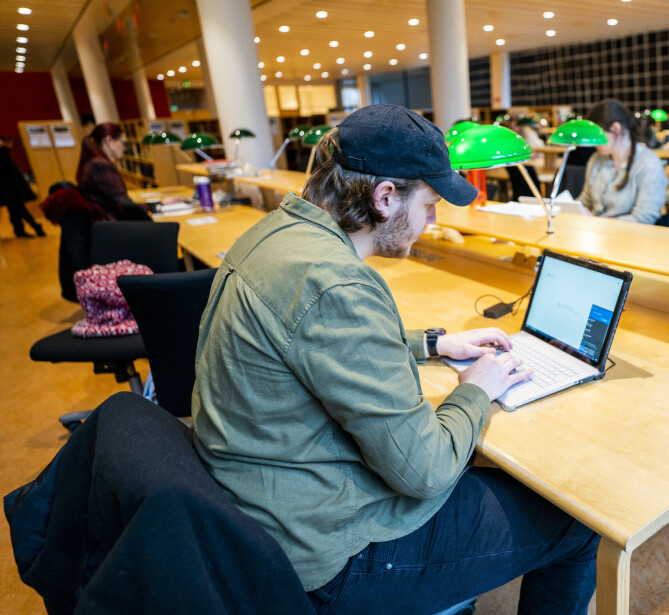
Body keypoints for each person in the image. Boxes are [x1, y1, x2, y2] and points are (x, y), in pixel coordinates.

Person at [192, 104, 600, 615]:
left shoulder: (274, 235)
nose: (432, 221)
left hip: (259, 519)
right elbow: (424, 471)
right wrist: (476, 388)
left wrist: (431, 344)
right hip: (327, 561)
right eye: (429, 204)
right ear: (385, 197)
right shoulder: (339, 282)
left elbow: (306, 334)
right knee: (575, 522)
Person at [578, 99, 669, 224]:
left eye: (597, 135)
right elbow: (585, 201)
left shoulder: (648, 163)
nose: (593, 141)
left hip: (628, 238)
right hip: (594, 234)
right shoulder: (596, 160)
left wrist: (599, 222)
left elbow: (644, 218)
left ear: (615, 128)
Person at [75, 123, 151, 221]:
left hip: (108, 223)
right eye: (123, 143)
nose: (125, 148)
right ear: (109, 140)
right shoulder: (101, 166)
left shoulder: (94, 163)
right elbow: (125, 206)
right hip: (114, 226)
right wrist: (156, 206)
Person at [0, 135, 45, 238]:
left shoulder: (5, 155)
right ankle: (35, 227)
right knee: (18, 208)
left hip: (11, 188)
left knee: (15, 210)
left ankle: (20, 230)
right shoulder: (3, 155)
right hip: (9, 188)